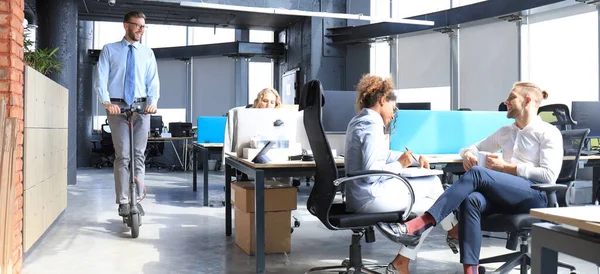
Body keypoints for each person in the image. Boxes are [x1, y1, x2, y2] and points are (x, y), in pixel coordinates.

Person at [385, 82, 562, 274]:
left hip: (535, 196)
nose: (505, 102)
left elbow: (548, 175)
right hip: (506, 197)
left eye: (511, 97)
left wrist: (508, 168)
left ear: (527, 101)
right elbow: (471, 148)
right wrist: (469, 154)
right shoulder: (506, 131)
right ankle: (471, 271)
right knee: (471, 200)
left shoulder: (548, 133)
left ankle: (419, 224)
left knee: (478, 174)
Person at [345, 74, 458, 274]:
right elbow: (371, 173)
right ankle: (454, 231)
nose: (393, 111)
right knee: (432, 183)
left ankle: (402, 262)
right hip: (368, 197)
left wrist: (412, 159)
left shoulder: (361, 120)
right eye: (392, 106)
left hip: (360, 194)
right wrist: (399, 165)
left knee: (431, 208)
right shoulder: (371, 125)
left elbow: (382, 155)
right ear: (382, 100)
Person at [94, 11, 160, 217]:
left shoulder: (147, 53)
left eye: (143, 26)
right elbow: (101, 78)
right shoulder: (109, 50)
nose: (141, 30)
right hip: (117, 107)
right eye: (137, 25)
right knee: (123, 155)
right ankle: (123, 200)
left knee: (139, 155)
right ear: (126, 25)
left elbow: (153, 80)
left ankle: (137, 199)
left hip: (142, 108)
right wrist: (106, 102)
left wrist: (153, 101)